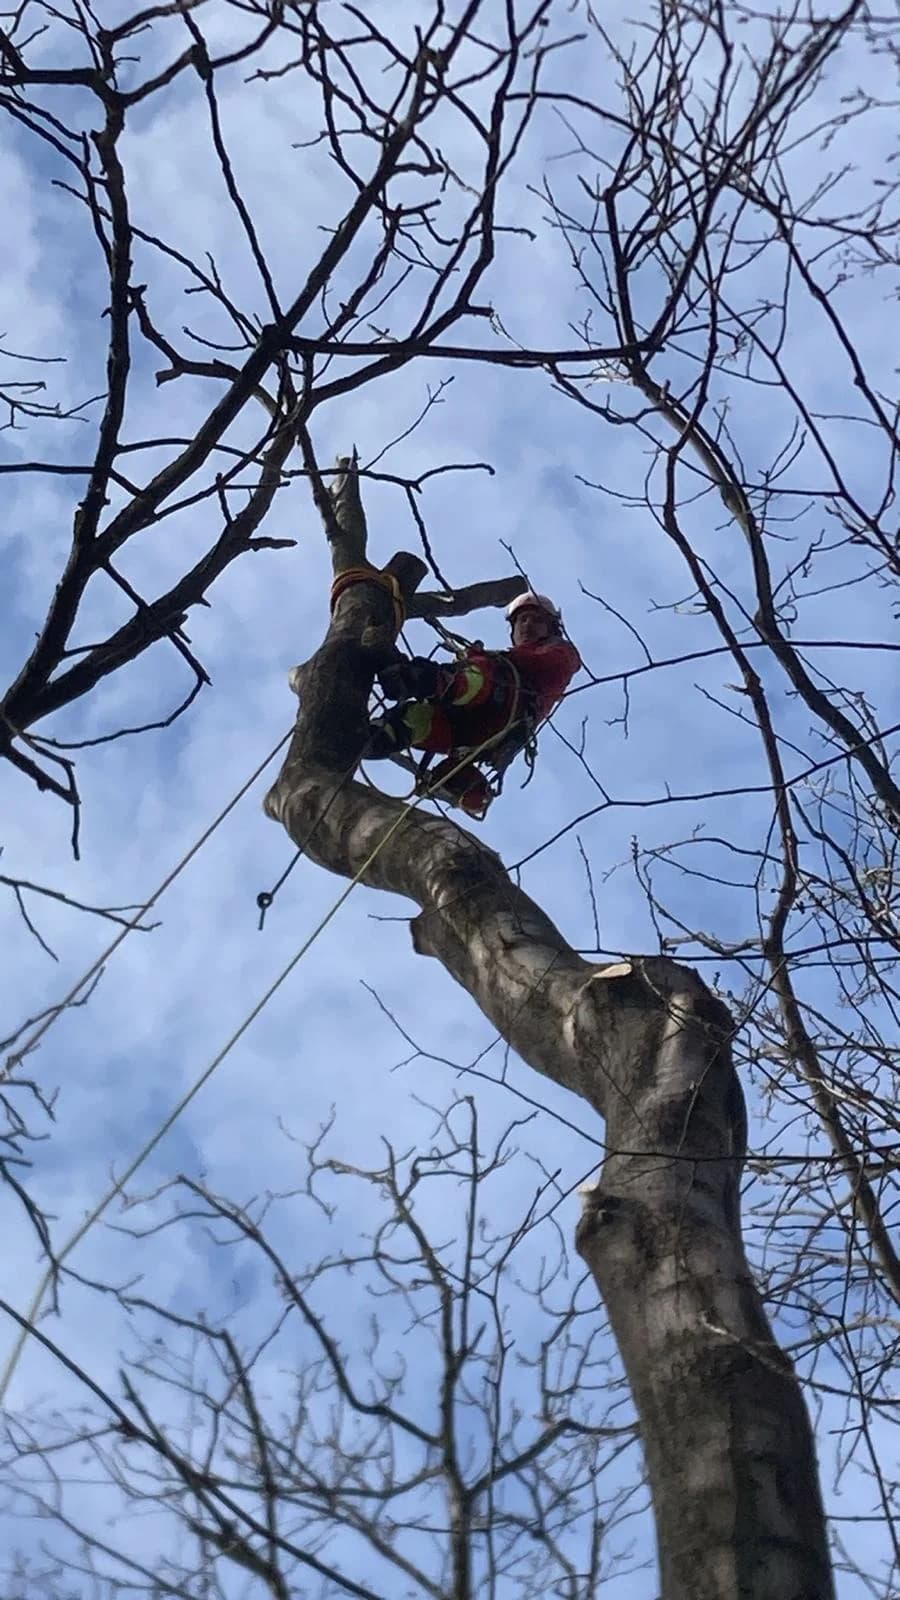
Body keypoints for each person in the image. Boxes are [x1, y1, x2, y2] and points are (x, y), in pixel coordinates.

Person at [365, 590, 581, 816]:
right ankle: (377, 736)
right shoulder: (506, 660)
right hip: (464, 727)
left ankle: (427, 680)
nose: (527, 625)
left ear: (551, 628)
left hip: (500, 713)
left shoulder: (562, 652)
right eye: (522, 620)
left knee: (481, 672)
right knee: (419, 717)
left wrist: (482, 657)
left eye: (536, 620)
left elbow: (551, 664)